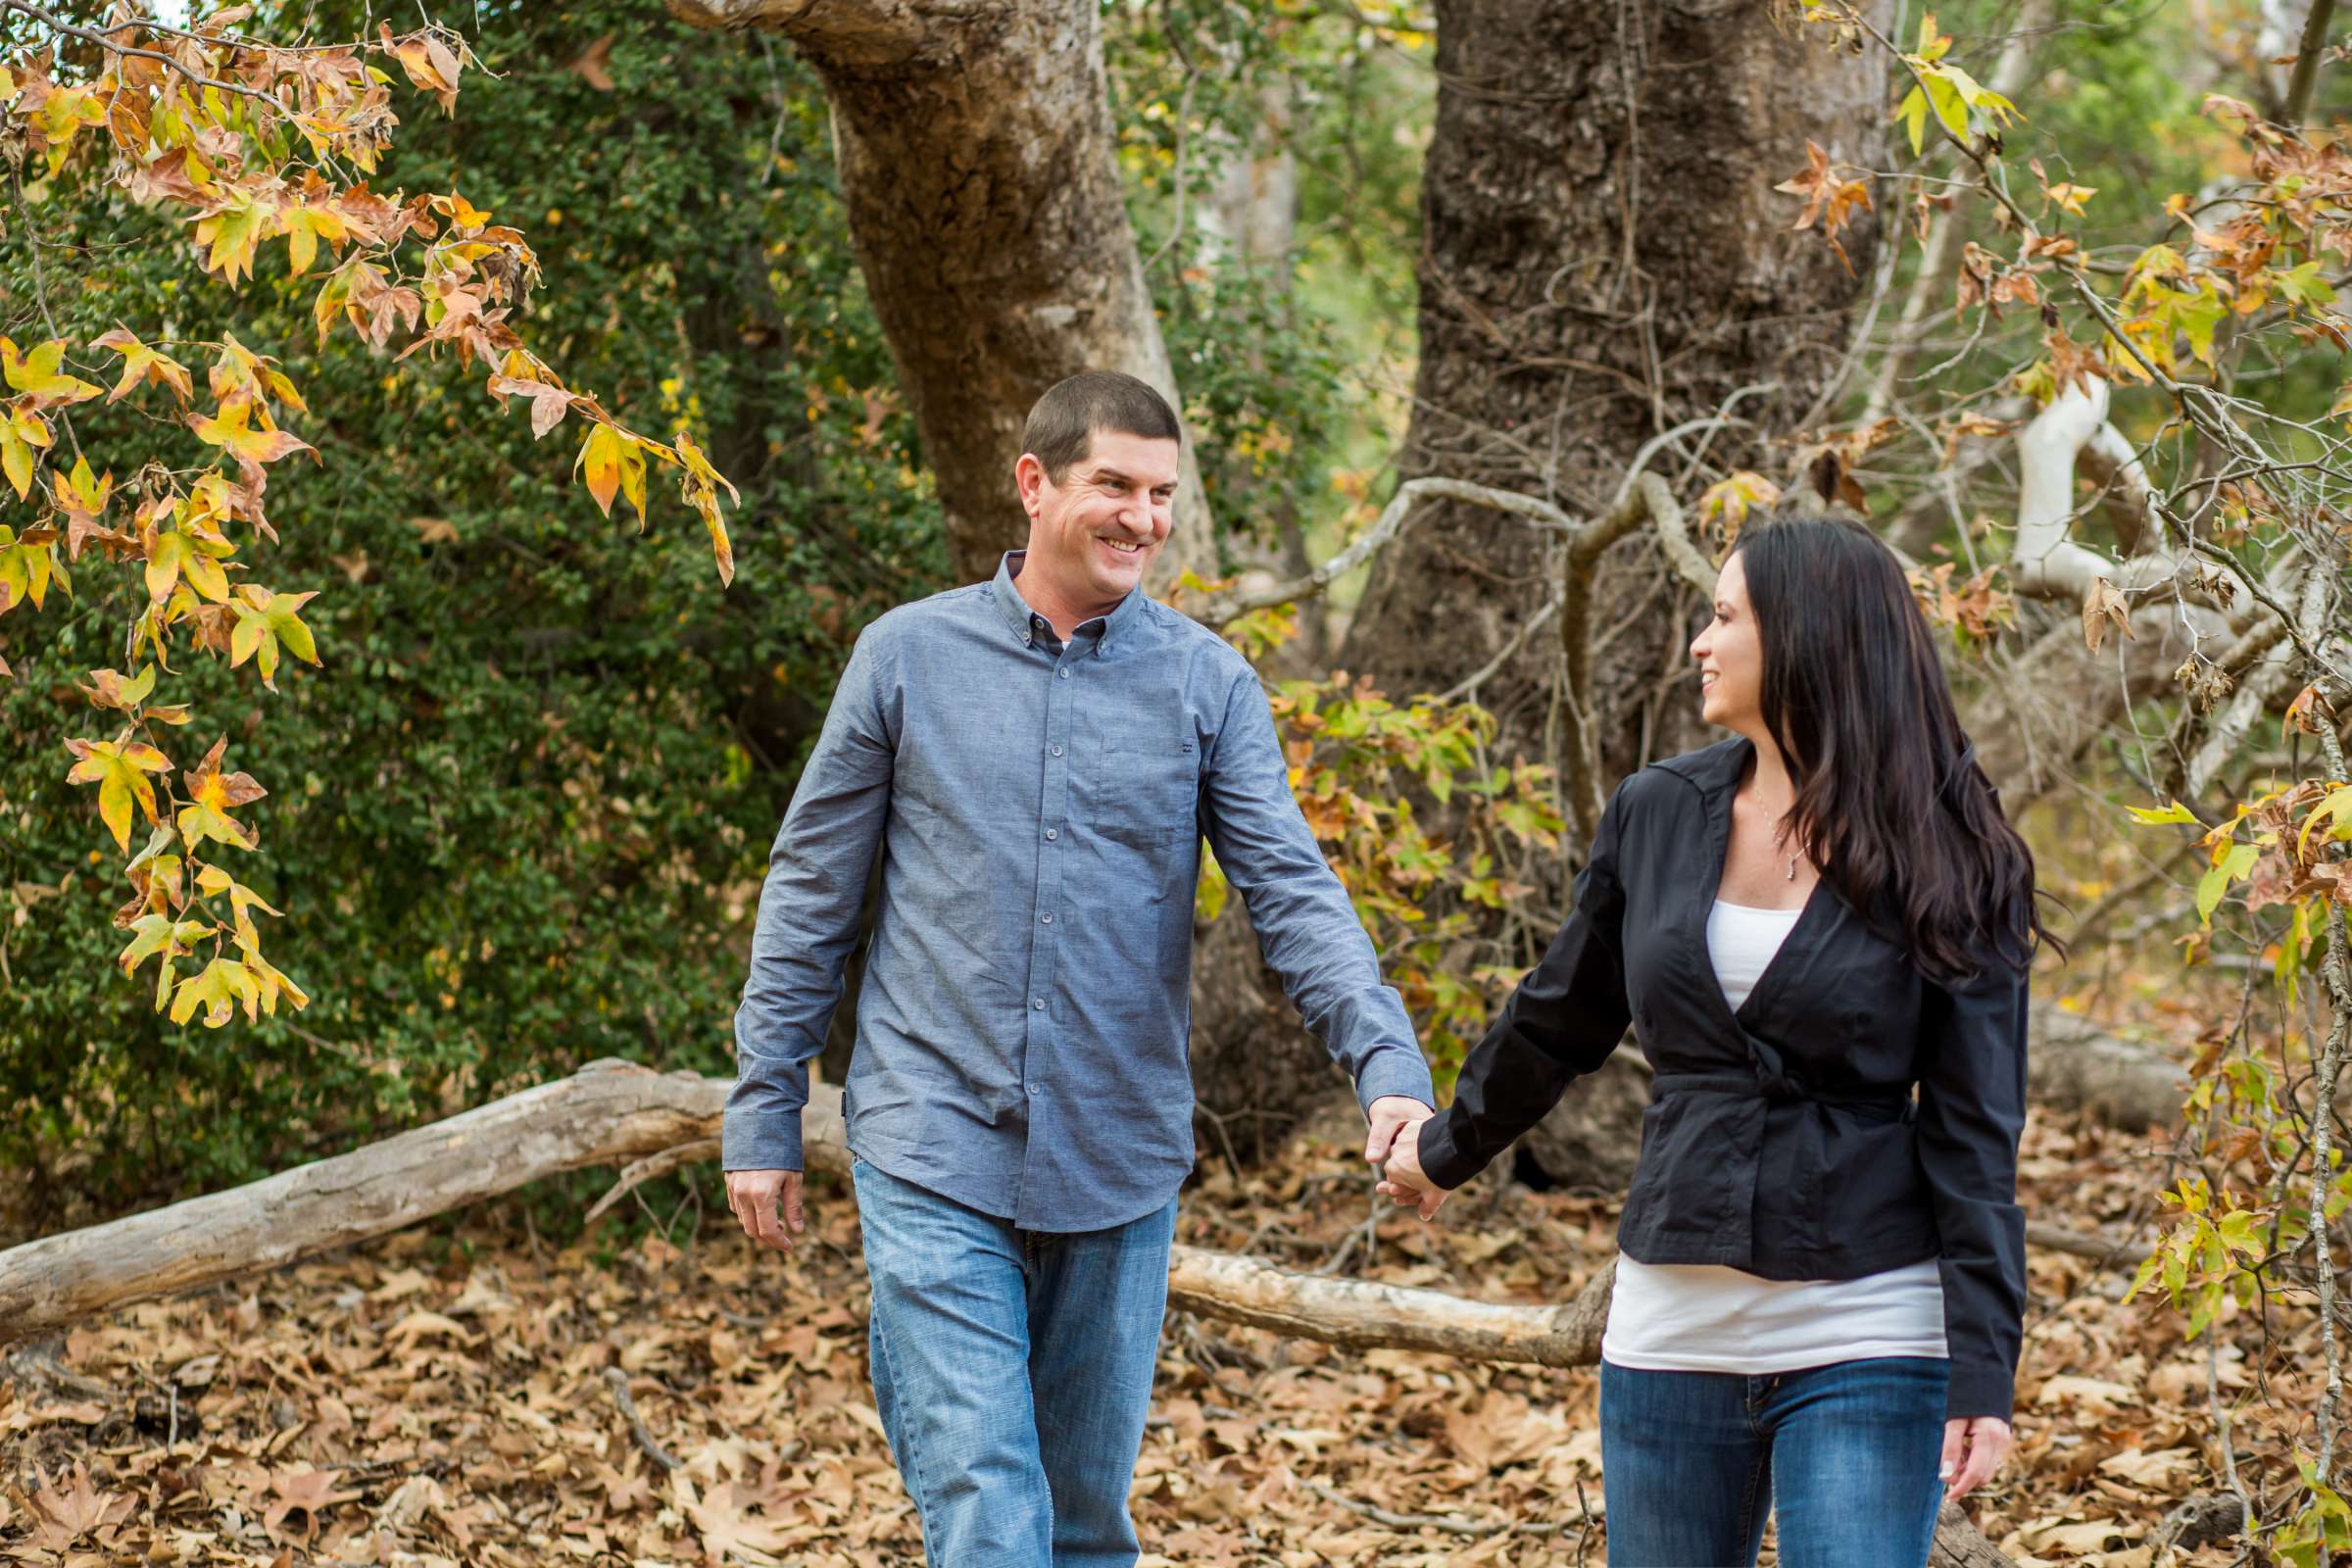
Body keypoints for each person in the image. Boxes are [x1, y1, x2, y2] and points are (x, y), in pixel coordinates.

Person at [720, 368, 1436, 1567]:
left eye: (1161, 495)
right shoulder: (905, 659)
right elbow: (811, 893)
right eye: (1116, 484)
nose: (1143, 519)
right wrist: (764, 1103)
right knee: (994, 1515)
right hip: (930, 1133)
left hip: (1118, 1151)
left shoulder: (1206, 685)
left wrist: (1385, 1061)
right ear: (1035, 482)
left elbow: (1292, 889)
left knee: (1086, 1525)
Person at [1378, 514, 2054, 1568]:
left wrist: (1982, 1374)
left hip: (1870, 1319)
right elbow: (1561, 1013)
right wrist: (1446, 1148)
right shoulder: (1658, 812)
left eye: (1726, 616)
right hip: (1670, 1329)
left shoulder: (1955, 848)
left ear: (1809, 637)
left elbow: (1976, 1138)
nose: (1701, 639)